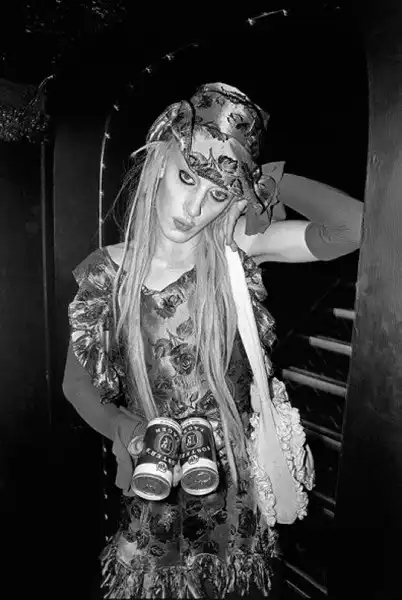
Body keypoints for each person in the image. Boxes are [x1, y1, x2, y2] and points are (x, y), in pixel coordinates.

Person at [63, 82, 363, 599]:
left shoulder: (234, 250)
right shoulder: (107, 273)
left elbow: (352, 227)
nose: (194, 207)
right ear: (159, 163)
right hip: (155, 485)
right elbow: (76, 385)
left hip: (235, 490)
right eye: (186, 177)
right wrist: (122, 427)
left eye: (218, 193)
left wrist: (266, 181)